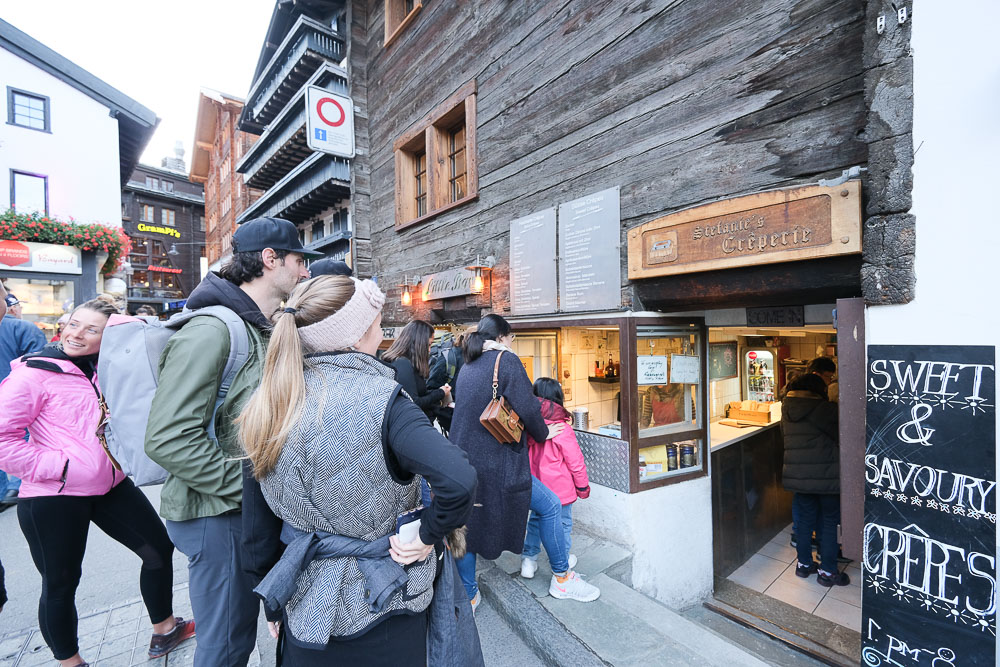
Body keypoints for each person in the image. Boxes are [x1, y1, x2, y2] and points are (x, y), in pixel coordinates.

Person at [238, 275, 478, 664]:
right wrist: (430, 532)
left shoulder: (268, 400)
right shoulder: (385, 400)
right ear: (356, 336)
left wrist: (275, 600)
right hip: (388, 600)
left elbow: (255, 528)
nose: (381, 331)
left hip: (304, 600)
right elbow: (459, 479)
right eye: (376, 322)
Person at [144, 217, 317, 667]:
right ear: (269, 259)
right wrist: (250, 489)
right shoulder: (213, 330)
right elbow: (167, 438)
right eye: (299, 261)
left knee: (238, 639)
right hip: (216, 516)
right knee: (225, 647)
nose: (304, 273)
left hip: (238, 513)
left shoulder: (256, 324)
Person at [0, 298, 194, 666]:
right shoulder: (33, 373)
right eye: (74, 324)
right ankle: (71, 663)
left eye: (92, 330)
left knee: (157, 550)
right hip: (53, 494)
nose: (77, 334)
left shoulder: (104, 368)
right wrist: (60, 467)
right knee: (60, 585)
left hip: (111, 485)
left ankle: (165, 630)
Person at [450, 314, 600, 606]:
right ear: (504, 337)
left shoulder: (468, 364)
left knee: (467, 524)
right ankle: (562, 579)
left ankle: (469, 594)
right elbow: (530, 409)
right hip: (497, 465)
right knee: (552, 506)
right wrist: (544, 433)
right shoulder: (505, 361)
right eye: (512, 338)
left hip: (464, 462)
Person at [520, 377, 591, 580]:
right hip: (560, 490)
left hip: (536, 486)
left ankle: (528, 560)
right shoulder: (562, 428)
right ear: (558, 398)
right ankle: (562, 559)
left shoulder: (529, 427)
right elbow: (575, 462)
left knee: (534, 521)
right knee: (563, 524)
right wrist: (582, 486)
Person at [781, 372, 847, 587]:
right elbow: (843, 435)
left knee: (804, 522)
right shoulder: (827, 410)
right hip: (827, 477)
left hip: (799, 477)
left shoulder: (787, 408)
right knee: (828, 523)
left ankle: (804, 565)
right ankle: (827, 571)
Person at [0, 291, 46, 507]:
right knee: (23, 435)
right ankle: (16, 485)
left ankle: (4, 489)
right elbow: (39, 362)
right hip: (18, 395)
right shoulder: (24, 328)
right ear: (12, 307)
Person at [383, 320, 452, 422]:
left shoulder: (405, 362)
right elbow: (413, 402)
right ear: (419, 342)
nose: (429, 350)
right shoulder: (402, 363)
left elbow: (417, 393)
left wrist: (439, 391)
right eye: (428, 345)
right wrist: (440, 393)